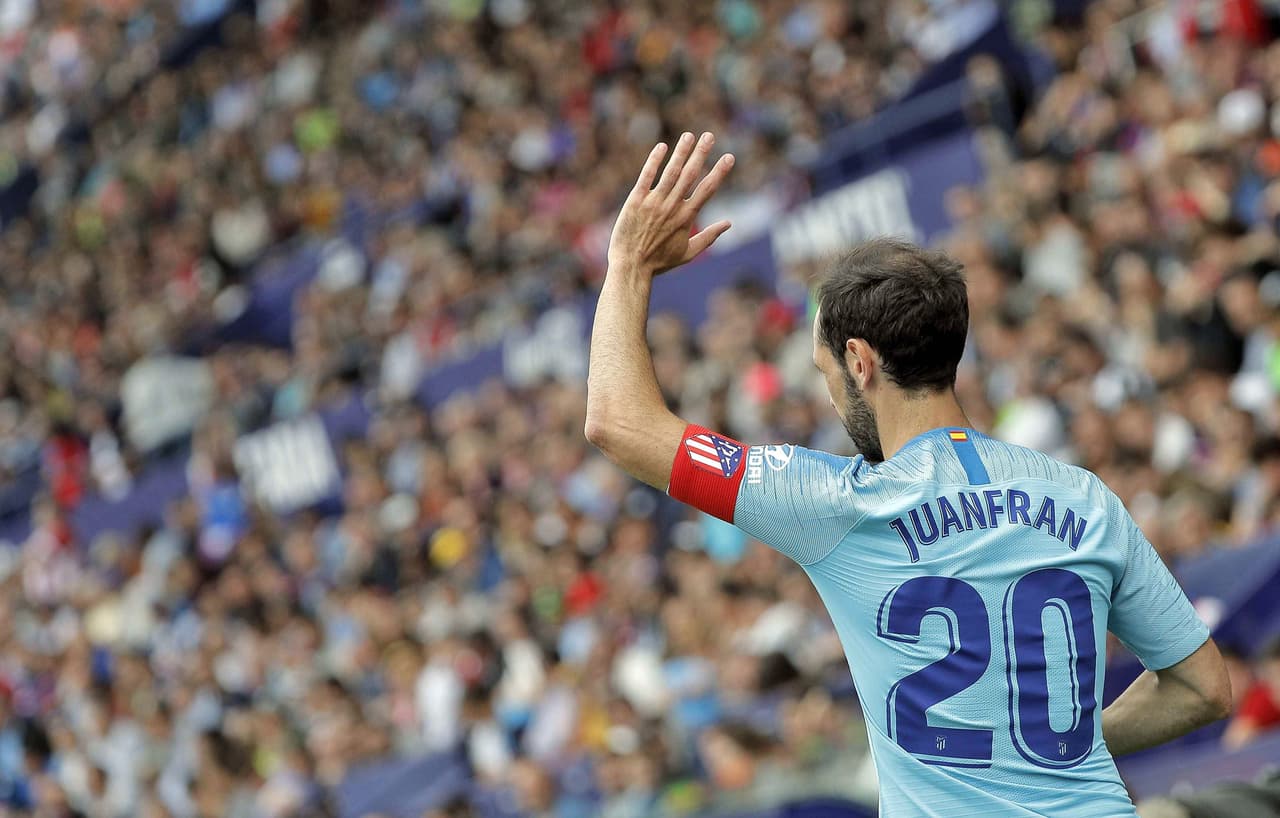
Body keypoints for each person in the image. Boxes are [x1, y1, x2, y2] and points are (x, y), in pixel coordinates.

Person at [584, 131, 1233, 817]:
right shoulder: (1084, 495)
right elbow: (1203, 688)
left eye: (826, 373)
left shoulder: (833, 502)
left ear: (860, 362)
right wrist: (1059, 744)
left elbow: (615, 423)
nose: (831, 395)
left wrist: (627, 263)